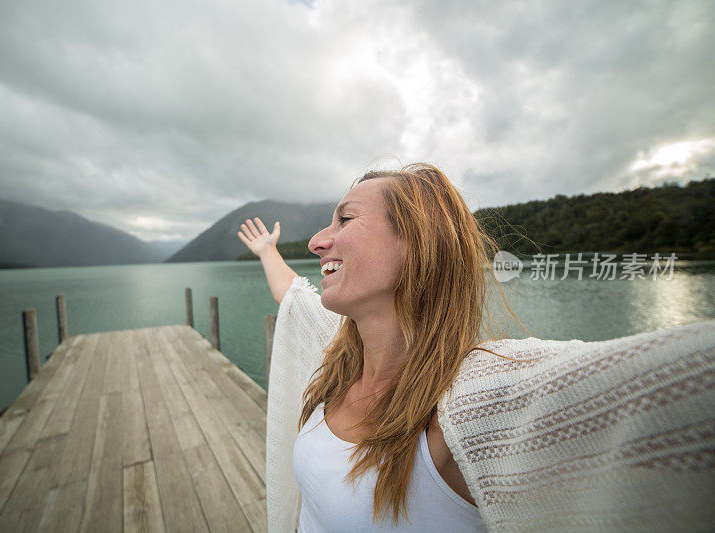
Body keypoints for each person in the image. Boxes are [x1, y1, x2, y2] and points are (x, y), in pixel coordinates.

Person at [238, 163, 715, 532]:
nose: (320, 242)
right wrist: (267, 253)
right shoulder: (342, 353)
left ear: (419, 244)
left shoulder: (471, 400)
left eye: (344, 219)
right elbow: (295, 298)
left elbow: (671, 380)